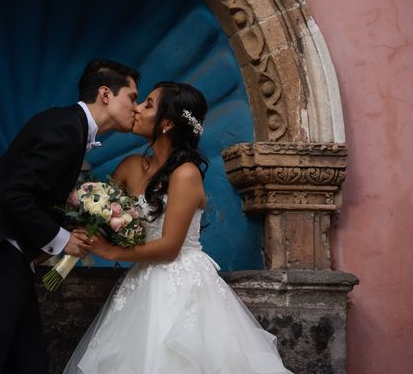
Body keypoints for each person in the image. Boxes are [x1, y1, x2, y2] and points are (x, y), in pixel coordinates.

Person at [0, 59, 140, 374]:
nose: (135, 107)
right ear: (106, 94)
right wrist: (63, 240)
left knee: (30, 363)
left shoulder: (68, 125)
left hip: (12, 258)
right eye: (132, 97)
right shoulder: (67, 129)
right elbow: (15, 195)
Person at [64, 81, 292, 374]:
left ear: (167, 123)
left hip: (179, 286)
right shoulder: (131, 166)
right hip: (140, 283)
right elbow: (101, 212)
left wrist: (108, 251)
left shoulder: (186, 174)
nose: (137, 108)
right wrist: (87, 217)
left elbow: (170, 247)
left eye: (147, 104)